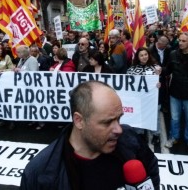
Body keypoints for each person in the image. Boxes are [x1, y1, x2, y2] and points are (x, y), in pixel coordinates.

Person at [20, 81, 160, 190]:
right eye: (107, 122)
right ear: (79, 121)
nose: (119, 129)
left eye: (119, 119)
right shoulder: (40, 172)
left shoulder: (130, 139)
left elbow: (151, 167)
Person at [127, 47, 162, 144]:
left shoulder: (156, 68)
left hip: (152, 99)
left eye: (146, 54)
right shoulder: (131, 69)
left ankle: (156, 135)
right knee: (139, 116)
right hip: (139, 99)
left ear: (149, 55)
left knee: (154, 117)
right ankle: (140, 133)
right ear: (138, 57)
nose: (144, 57)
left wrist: (159, 83)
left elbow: (161, 80)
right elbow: (128, 84)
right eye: (141, 55)